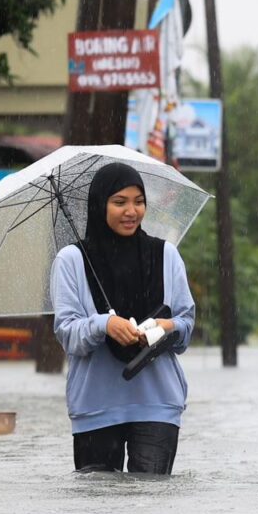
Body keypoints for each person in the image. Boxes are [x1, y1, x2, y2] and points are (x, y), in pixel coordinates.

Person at [49, 161, 197, 474]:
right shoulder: (71, 261)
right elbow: (66, 333)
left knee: (151, 510)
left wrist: (167, 326)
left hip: (158, 404)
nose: (131, 211)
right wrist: (104, 325)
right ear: (99, 205)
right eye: (119, 202)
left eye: (138, 201)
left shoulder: (166, 255)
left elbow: (186, 325)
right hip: (95, 406)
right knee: (99, 512)